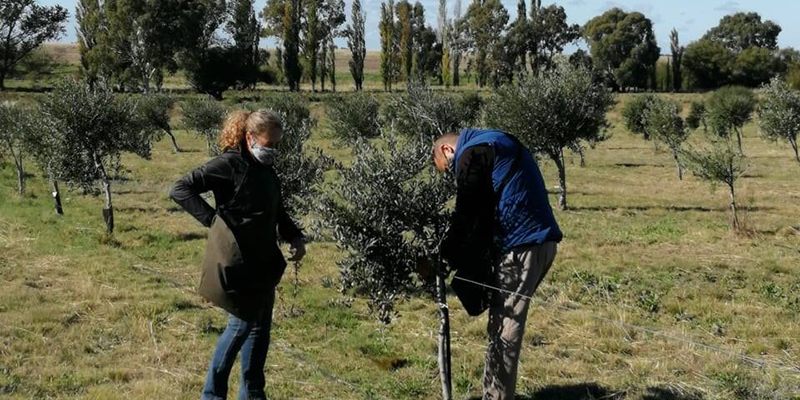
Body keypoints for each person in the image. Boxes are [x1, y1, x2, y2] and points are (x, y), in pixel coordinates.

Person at [169, 109, 306, 400]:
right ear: (249, 137)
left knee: (259, 333)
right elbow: (181, 189)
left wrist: (295, 236)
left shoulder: (266, 170)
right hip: (238, 262)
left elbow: (277, 211)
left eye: (278, 145)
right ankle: (212, 395)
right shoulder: (228, 165)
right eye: (270, 144)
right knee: (241, 326)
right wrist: (214, 222)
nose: (273, 151)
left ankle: (253, 394)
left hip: (264, 262)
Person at [432, 129, 562, 400]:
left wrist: (442, 257)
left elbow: (467, 213)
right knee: (501, 322)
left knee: (505, 329)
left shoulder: (474, 153)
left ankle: (496, 397)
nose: (451, 175)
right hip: (541, 242)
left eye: (447, 170)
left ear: (447, 151)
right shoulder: (495, 140)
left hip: (522, 248)